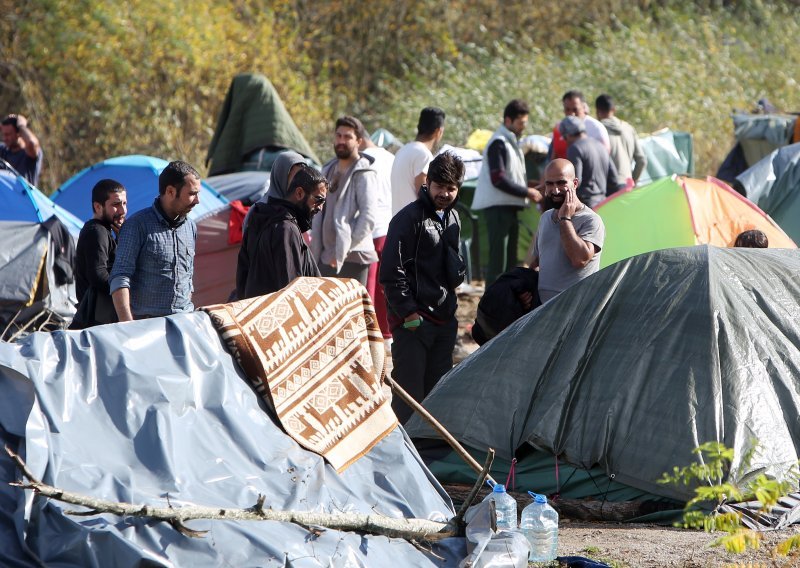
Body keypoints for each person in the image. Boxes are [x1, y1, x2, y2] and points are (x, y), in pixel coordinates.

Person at [380, 151, 466, 423]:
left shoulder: (453, 219)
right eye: (440, 186)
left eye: (451, 188)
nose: (444, 193)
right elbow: (390, 272)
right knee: (408, 397)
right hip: (413, 323)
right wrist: (408, 314)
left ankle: (430, 455)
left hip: (443, 320)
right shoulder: (407, 219)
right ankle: (404, 456)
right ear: (428, 181)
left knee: (438, 395)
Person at [110, 160, 201, 321]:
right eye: (192, 194)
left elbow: (189, 276)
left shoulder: (191, 227)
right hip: (147, 326)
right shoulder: (137, 226)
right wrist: (128, 327)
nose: (197, 200)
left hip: (185, 321)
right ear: (171, 191)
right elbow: (120, 278)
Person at [472, 99, 543, 284]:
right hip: (498, 210)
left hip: (509, 208)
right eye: (520, 123)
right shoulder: (499, 142)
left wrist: (531, 185)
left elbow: (510, 176)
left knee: (509, 264)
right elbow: (498, 179)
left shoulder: (510, 142)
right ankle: (489, 309)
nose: (523, 128)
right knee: (497, 264)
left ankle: (507, 308)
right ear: (508, 121)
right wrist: (527, 192)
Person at [236, 165, 327, 299]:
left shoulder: (262, 216)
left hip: (255, 309)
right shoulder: (286, 228)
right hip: (276, 314)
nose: (320, 207)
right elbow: (291, 288)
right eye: (318, 200)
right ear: (300, 193)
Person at [525, 158, 605, 303]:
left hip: (575, 310)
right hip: (543, 310)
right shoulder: (545, 218)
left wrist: (565, 219)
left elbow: (579, 259)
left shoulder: (591, 220)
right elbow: (537, 261)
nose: (555, 190)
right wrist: (526, 288)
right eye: (549, 184)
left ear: (574, 183)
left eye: (561, 183)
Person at [311, 116, 378, 286]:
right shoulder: (327, 170)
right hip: (325, 256)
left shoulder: (364, 172)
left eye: (348, 137)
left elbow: (368, 217)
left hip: (353, 256)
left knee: (352, 311)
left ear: (359, 141)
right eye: (338, 136)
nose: (341, 141)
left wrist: (342, 249)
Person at [70, 179, 128, 329]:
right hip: (96, 323)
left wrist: (122, 239)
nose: (122, 211)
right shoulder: (96, 232)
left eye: (124, 203)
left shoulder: (106, 231)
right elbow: (98, 275)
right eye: (115, 205)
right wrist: (125, 291)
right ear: (98, 206)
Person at [359, 128, 395, 340]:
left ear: (360, 139)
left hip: (369, 231)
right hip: (388, 226)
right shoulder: (391, 159)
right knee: (385, 287)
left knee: (368, 288)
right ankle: (386, 334)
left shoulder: (363, 159)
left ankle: (368, 337)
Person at [560, 116, 625, 208]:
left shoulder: (574, 148)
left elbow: (576, 181)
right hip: (604, 202)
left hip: (586, 205)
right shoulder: (600, 146)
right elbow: (614, 179)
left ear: (567, 135)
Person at [390, 107, 446, 215]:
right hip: (414, 225)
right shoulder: (423, 154)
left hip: (398, 223)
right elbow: (425, 195)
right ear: (438, 131)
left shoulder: (403, 150)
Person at [242, 150, 307, 234]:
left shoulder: (301, 208)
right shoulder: (259, 211)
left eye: (301, 177)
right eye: (294, 177)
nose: (298, 183)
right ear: (280, 176)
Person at [595, 94, 647, 186]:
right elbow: (642, 160)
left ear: (597, 111)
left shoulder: (598, 130)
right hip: (627, 185)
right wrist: (633, 181)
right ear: (613, 109)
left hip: (609, 186)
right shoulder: (629, 128)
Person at [548, 90, 610, 161]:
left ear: (583, 108)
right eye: (567, 109)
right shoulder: (559, 127)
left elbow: (604, 159)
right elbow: (553, 157)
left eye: (575, 110)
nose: (572, 114)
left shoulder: (596, 128)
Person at [0, 114, 43, 186]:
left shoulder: (28, 152)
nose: (5, 138)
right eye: (3, 134)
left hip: (23, 196)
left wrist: (21, 126)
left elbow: (32, 143)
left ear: (19, 133)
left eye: (8, 135)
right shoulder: (3, 150)